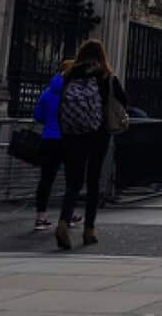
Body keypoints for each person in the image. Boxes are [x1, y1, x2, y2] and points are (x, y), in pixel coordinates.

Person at [55, 38, 127, 250]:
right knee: (93, 183)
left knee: (73, 183)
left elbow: (60, 103)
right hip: (98, 133)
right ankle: (89, 229)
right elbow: (124, 100)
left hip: (71, 134)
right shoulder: (106, 76)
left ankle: (63, 223)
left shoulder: (68, 75)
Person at [32, 60, 82, 232]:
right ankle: (69, 215)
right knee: (71, 180)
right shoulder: (74, 93)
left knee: (46, 179)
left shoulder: (47, 92)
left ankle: (41, 217)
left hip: (49, 139)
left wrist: (50, 124)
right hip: (69, 139)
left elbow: (37, 114)